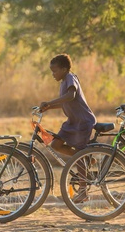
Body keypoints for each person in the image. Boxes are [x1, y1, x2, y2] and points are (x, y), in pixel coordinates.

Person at [40, 54, 97, 203]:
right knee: (55, 145)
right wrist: (49, 107)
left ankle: (83, 191)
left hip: (83, 122)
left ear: (65, 69)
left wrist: (50, 102)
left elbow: (71, 96)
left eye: (55, 71)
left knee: (78, 155)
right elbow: (66, 102)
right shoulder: (63, 81)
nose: (53, 74)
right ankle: (86, 158)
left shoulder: (71, 78)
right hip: (72, 122)